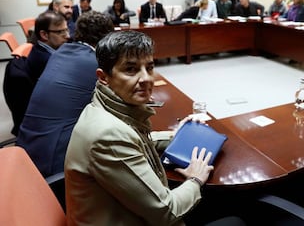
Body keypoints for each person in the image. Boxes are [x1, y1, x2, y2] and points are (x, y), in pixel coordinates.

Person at [64, 30, 246, 226]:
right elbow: (167, 212)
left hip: (128, 212)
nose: (146, 79)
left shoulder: (102, 107)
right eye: (131, 70)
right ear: (104, 77)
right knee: (236, 218)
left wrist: (177, 136)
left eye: (149, 68)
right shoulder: (107, 137)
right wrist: (195, 179)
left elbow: (135, 139)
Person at [16, 11, 114, 177]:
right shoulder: (95, 63)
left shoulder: (61, 53)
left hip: (26, 149)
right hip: (54, 163)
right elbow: (119, 103)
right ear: (108, 39)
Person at [3, 11, 68, 136]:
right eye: (61, 32)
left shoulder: (40, 50)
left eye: (66, 30)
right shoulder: (48, 62)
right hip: (46, 120)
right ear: (44, 34)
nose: (67, 36)